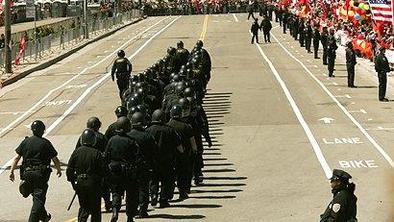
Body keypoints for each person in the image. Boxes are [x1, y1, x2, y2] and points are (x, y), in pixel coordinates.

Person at [9, 120, 62, 222]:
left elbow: (17, 158)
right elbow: (55, 159)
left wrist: (11, 171)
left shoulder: (25, 142)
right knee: (39, 199)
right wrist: (59, 169)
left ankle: (44, 217)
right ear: (42, 131)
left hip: (27, 174)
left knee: (36, 197)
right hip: (40, 175)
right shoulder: (45, 143)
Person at [105, 117, 140, 222]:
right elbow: (137, 157)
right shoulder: (131, 141)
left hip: (114, 171)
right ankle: (130, 217)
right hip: (127, 171)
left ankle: (115, 212)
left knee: (116, 193)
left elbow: (106, 155)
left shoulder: (111, 140)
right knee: (131, 195)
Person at [146, 109, 182, 208]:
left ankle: (153, 195)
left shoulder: (148, 130)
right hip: (167, 161)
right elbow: (179, 147)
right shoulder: (170, 130)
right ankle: (163, 200)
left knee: (153, 180)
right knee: (167, 180)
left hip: (152, 161)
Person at [67, 129, 105, 222]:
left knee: (84, 207)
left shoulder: (76, 152)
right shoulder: (97, 153)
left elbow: (69, 170)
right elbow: (103, 171)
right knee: (95, 209)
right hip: (94, 184)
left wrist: (73, 183)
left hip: (80, 183)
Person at [127, 112, 157, 218]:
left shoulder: (128, 136)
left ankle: (133, 210)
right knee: (144, 189)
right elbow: (154, 151)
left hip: (131, 167)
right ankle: (143, 210)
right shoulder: (147, 136)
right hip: (144, 166)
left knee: (132, 190)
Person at [167, 105, 197, 200]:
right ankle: (182, 192)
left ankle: (168, 193)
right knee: (182, 174)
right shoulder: (186, 126)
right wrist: (194, 150)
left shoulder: (167, 126)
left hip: (170, 155)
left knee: (170, 175)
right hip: (183, 154)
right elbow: (192, 141)